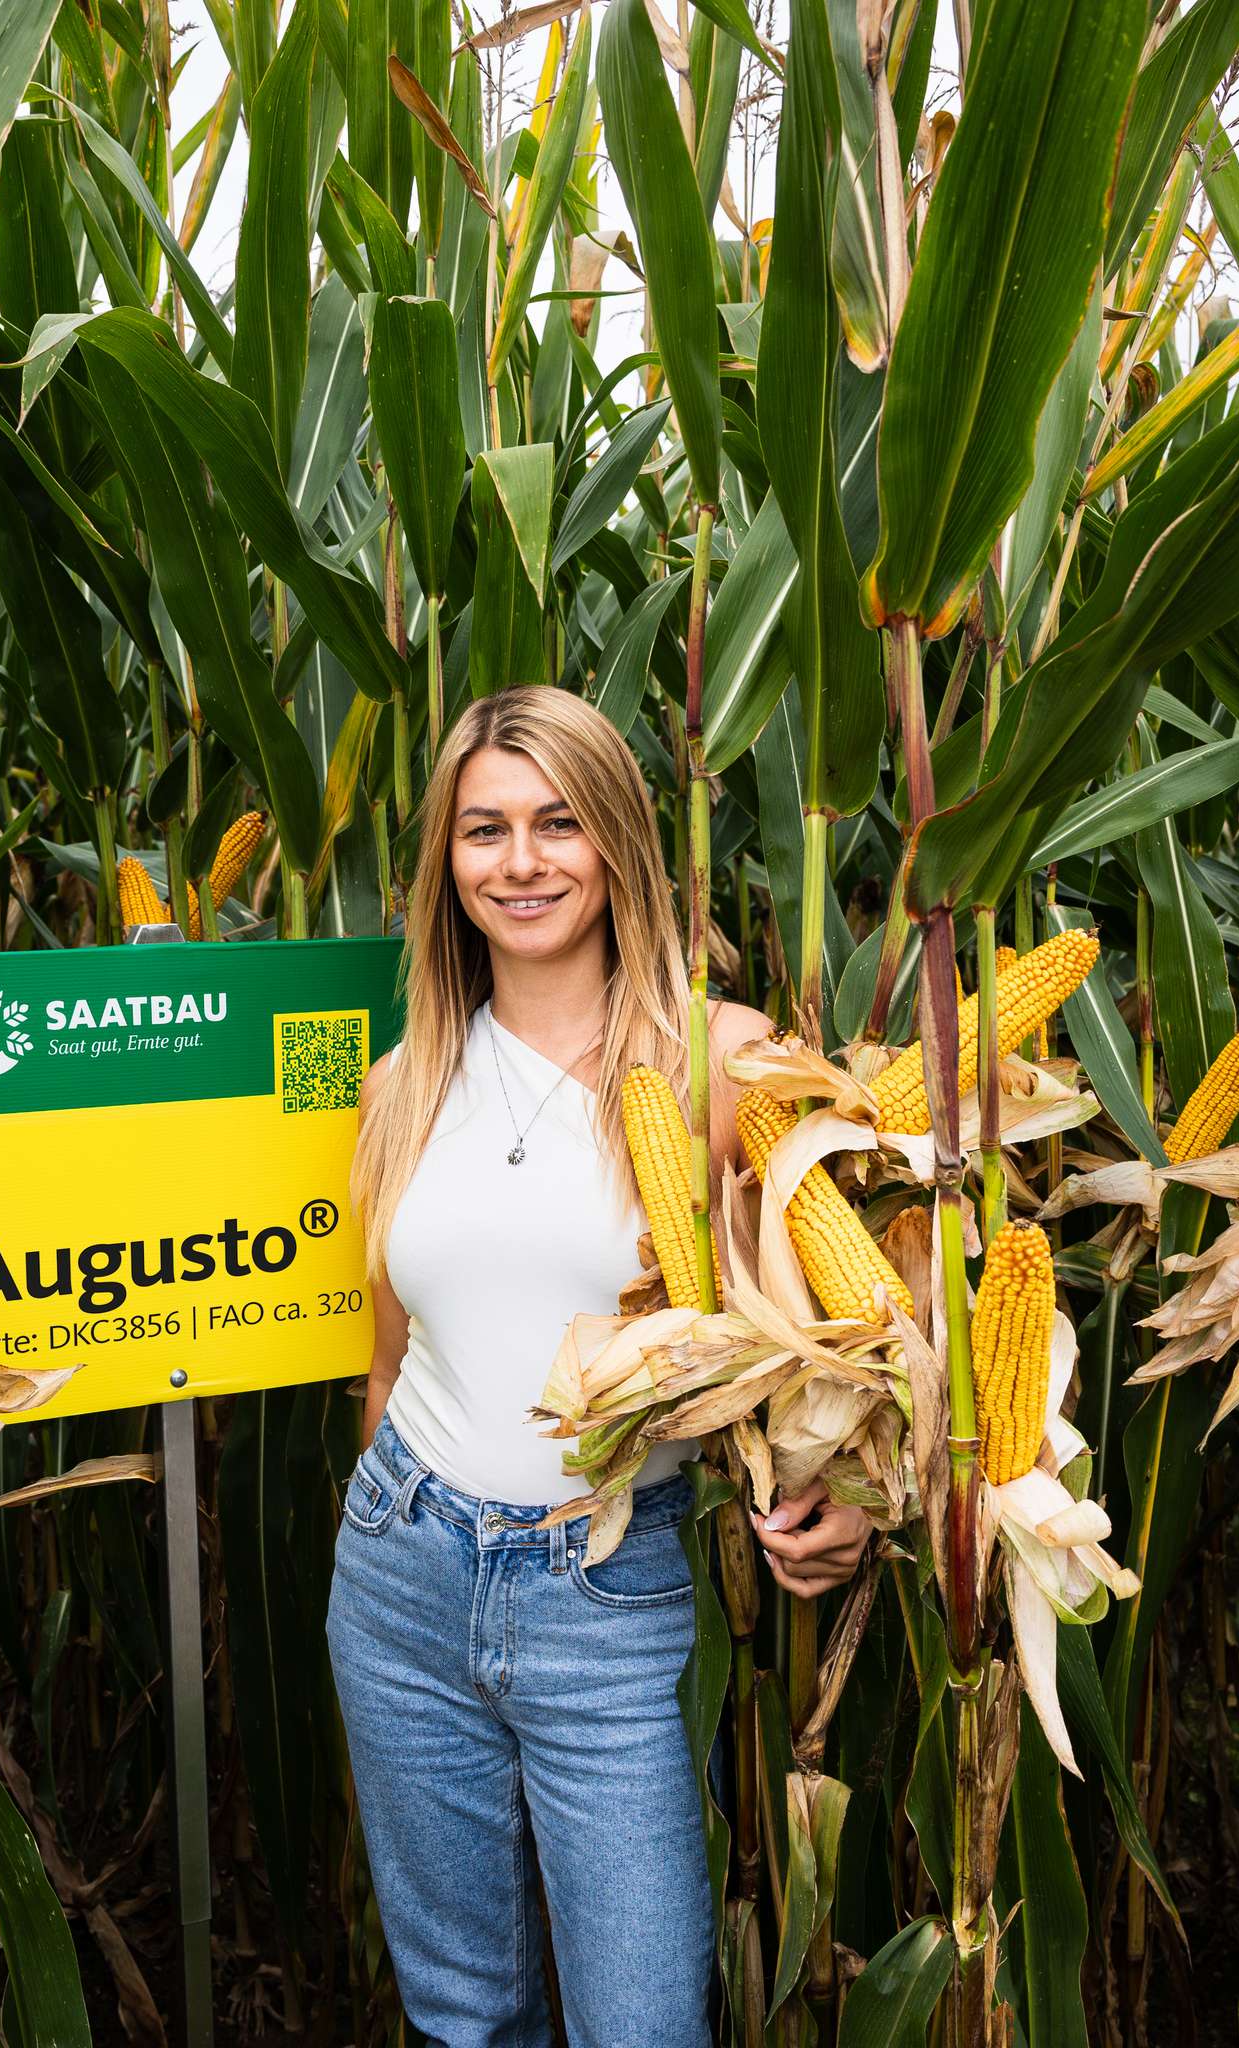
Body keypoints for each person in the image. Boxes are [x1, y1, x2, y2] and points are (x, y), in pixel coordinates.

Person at [330, 686, 871, 2047]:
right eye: (485, 830)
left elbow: (870, 1321)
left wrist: (856, 1497)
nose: (521, 862)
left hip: (613, 1589)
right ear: (447, 863)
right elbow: (388, 1366)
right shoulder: (402, 1085)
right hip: (404, 1571)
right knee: (465, 2017)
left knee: (642, 2023)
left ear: (618, 840)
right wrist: (386, 1516)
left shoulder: (722, 1060)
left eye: (559, 823)